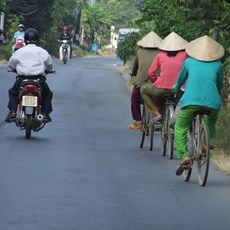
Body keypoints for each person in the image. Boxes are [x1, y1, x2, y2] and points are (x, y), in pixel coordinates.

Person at [173, 35, 225, 176]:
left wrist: (176, 88)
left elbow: (180, 79)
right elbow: (220, 84)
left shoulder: (189, 62)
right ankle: (207, 142)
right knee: (211, 120)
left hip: (191, 102)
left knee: (180, 126)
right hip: (212, 103)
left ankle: (184, 156)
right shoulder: (218, 64)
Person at [5, 28, 54, 123]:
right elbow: (49, 64)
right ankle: (44, 114)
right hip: (38, 80)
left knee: (13, 92)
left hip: (22, 80)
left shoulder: (19, 51)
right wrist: (50, 70)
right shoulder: (42, 51)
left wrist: (11, 69)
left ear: (25, 38)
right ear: (37, 39)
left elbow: (11, 64)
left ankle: (13, 113)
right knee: (48, 94)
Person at [140, 32, 188, 123]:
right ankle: (176, 118)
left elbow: (151, 72)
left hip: (162, 88)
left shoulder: (160, 55)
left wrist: (156, 81)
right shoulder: (185, 54)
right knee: (178, 102)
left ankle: (157, 113)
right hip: (180, 88)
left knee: (143, 89)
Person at [128, 31, 162, 131]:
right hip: (157, 82)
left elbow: (135, 67)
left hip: (141, 82)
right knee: (161, 99)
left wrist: (134, 75)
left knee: (134, 98)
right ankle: (161, 117)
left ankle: (138, 122)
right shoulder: (162, 52)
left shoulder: (140, 51)